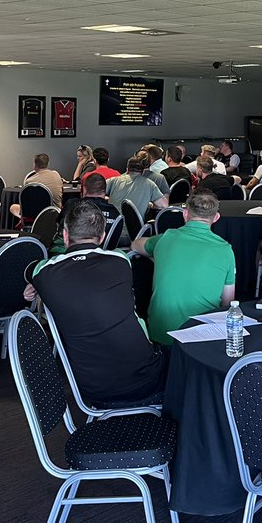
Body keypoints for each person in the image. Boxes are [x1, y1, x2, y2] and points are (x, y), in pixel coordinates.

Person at [23, 201, 167, 405]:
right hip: (146, 380)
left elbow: (31, 271)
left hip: (93, 389)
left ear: (65, 236)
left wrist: (35, 285)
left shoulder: (44, 272)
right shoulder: (121, 260)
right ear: (103, 236)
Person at [132, 190, 236, 345]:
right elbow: (228, 304)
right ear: (216, 217)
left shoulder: (165, 239)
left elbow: (135, 245)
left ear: (185, 214)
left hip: (160, 336)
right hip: (201, 339)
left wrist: (156, 254)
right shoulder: (226, 250)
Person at [107, 154, 170, 220]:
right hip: (134, 225)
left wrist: (107, 199)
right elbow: (164, 205)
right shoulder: (150, 184)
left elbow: (99, 192)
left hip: (111, 224)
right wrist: (149, 204)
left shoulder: (113, 180)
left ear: (127, 170)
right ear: (143, 172)